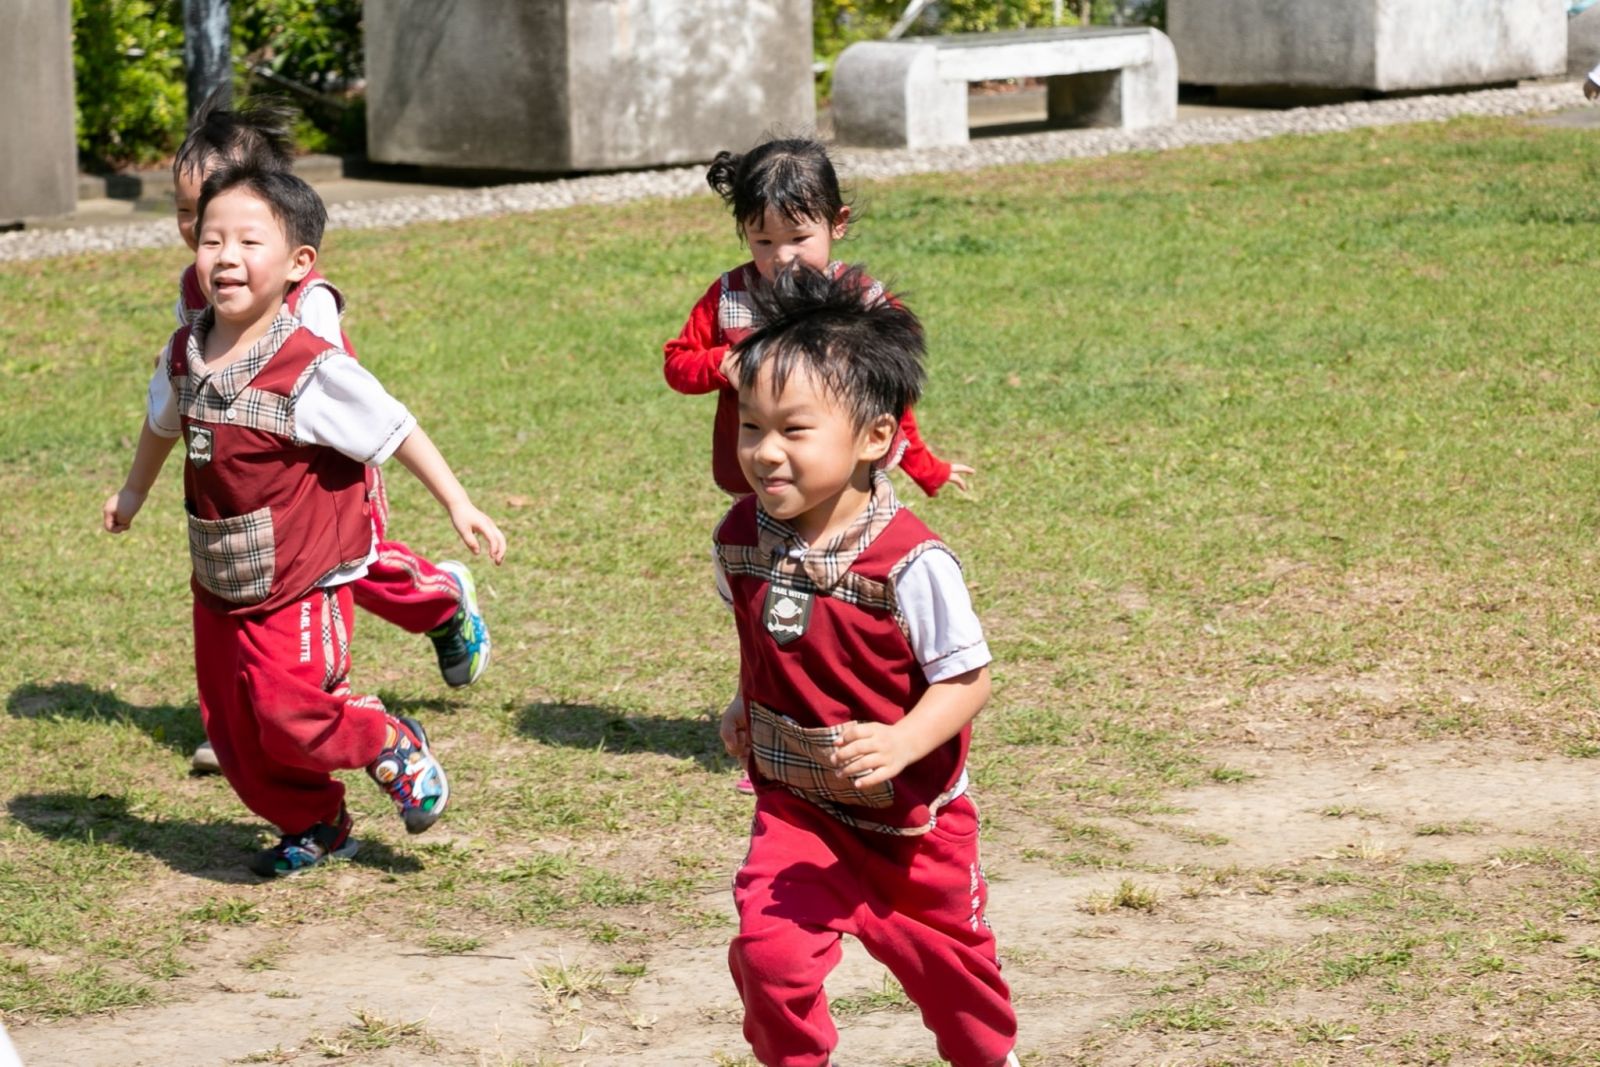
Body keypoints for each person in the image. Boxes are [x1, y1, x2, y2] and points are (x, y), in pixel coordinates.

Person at [103, 163, 507, 876]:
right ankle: (315, 822)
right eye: (210, 238)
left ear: (298, 264)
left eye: (248, 242)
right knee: (234, 732)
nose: (225, 256)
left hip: (300, 576)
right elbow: (161, 424)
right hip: (221, 576)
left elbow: (395, 427)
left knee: (292, 710)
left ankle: (387, 740)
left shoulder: (309, 367)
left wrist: (458, 500)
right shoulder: (184, 353)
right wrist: (134, 493)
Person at [713, 265, 1018, 1067]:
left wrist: (903, 741)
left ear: (876, 439)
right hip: (799, 810)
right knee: (769, 956)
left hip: (914, 829)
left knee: (963, 997)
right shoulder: (739, 538)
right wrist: (744, 705)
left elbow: (968, 678)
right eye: (751, 427)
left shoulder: (911, 562)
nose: (765, 452)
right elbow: (767, 640)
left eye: (794, 430)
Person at [170, 95, 490, 776]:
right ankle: (258, 720)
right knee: (275, 587)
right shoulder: (197, 286)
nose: (202, 231)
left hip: (331, 460)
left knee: (349, 567)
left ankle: (436, 604)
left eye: (217, 211)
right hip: (261, 482)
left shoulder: (306, 295)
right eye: (190, 216)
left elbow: (348, 397)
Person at [664, 136, 972, 500]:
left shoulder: (863, 301)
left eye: (798, 238)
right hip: (764, 485)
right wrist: (723, 363)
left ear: (836, 223)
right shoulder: (731, 296)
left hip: (846, 485)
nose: (781, 256)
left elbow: (891, 394)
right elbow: (677, 363)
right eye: (763, 241)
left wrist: (925, 467)